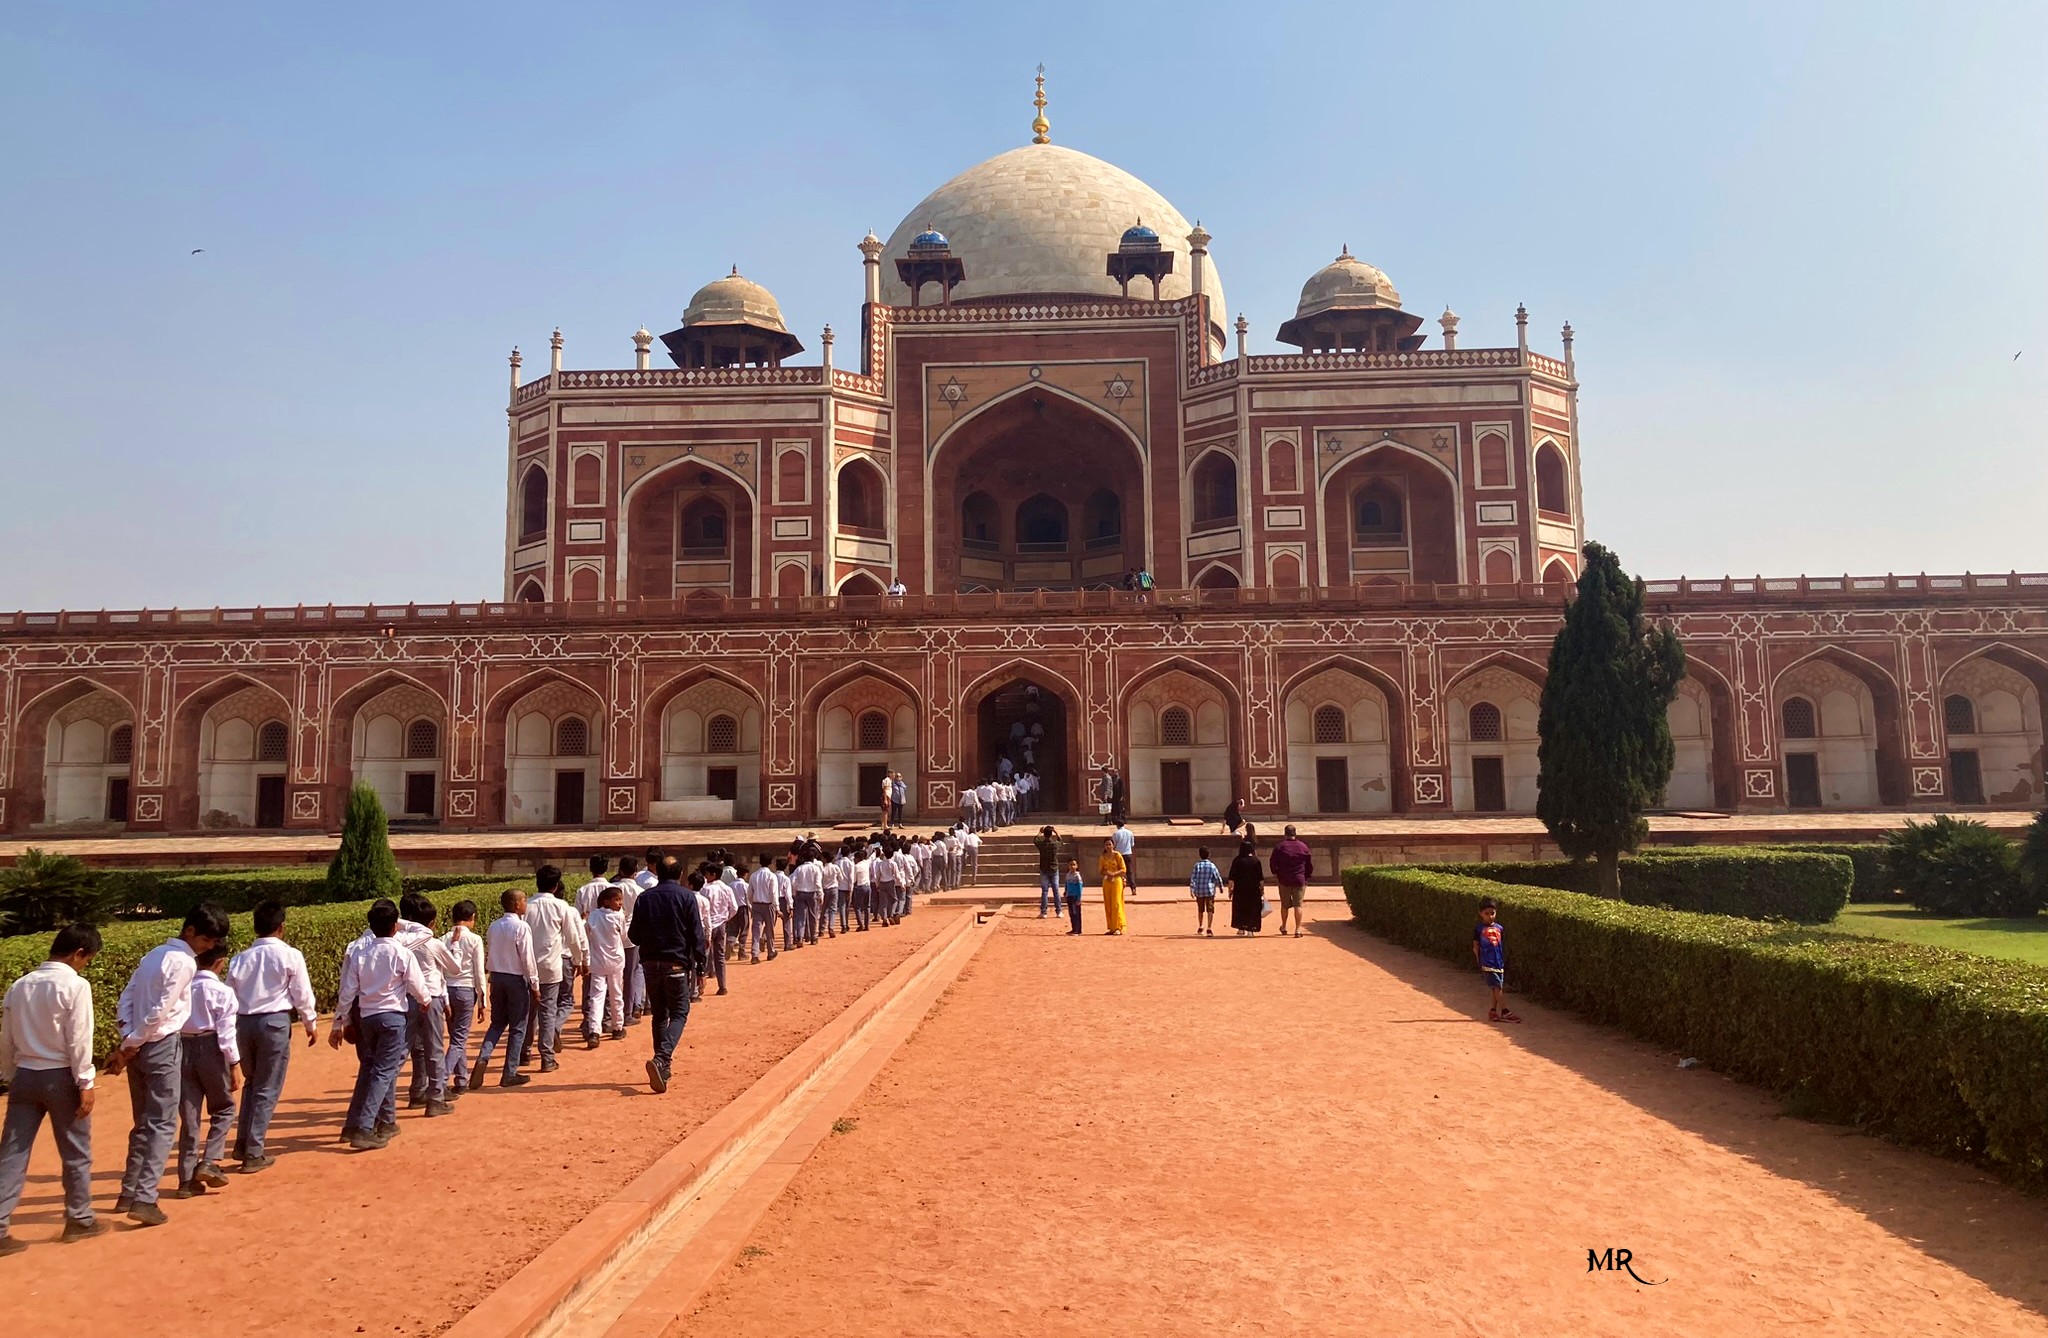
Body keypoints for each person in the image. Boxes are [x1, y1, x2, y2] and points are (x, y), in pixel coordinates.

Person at [112, 902, 228, 1226]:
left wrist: (127, 1038)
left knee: (143, 1123)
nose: (207, 948)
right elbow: (161, 1011)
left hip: (138, 1045)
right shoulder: (184, 962)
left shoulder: (154, 954)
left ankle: (128, 1191)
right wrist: (134, 1041)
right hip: (159, 1045)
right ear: (190, 932)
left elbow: (126, 996)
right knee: (162, 1123)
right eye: (205, 941)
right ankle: (145, 1198)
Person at [0, 924, 105, 1252]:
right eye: (88, 958)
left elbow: (6, 1037)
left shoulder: (20, 986)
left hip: (26, 1075)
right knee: (75, 1150)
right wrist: (86, 1081)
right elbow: (78, 1039)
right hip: (61, 1076)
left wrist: (8, 1074)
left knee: (12, 1153)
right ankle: (79, 1218)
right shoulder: (75, 985)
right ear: (79, 954)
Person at [331, 899, 433, 1151]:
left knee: (369, 1068)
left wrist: (339, 1021)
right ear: (395, 925)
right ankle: (365, 1127)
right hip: (392, 1018)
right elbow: (417, 985)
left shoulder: (359, 952)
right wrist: (425, 1001)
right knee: (383, 1072)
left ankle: (355, 1124)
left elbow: (347, 991)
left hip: (367, 1017)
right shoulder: (401, 951)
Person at [225, 899, 318, 1171]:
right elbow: (301, 993)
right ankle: (254, 1150)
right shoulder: (289, 955)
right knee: (267, 1087)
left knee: (253, 1084)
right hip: (274, 1023)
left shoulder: (240, 958)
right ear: (282, 927)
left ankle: (243, 1144)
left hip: (244, 1024)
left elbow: (228, 995)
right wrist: (310, 1022)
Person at [629, 856, 707, 1094]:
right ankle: (662, 1058)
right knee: (680, 1013)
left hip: (651, 965)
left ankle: (663, 1066)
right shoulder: (686, 897)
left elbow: (634, 935)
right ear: (680, 873)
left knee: (659, 1015)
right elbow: (696, 934)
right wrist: (701, 967)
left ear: (656, 871)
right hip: (676, 964)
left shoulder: (644, 897)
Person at [173, 946, 238, 1197]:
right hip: (211, 1047)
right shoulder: (222, 992)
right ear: (220, 962)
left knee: (189, 1115)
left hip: (182, 1046)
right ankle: (210, 1160)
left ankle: (186, 1180)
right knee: (223, 1107)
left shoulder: (183, 989)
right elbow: (227, 1034)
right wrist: (234, 1064)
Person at [472, 887, 539, 1088]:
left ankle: (483, 1056)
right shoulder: (521, 927)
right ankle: (509, 1072)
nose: (526, 904)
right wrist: (535, 984)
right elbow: (527, 959)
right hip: (515, 979)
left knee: (497, 1023)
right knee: (518, 1026)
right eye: (524, 900)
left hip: (497, 977)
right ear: (517, 904)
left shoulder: (494, 925)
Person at [523, 866, 585, 1073]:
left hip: (527, 967)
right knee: (548, 1011)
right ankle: (546, 1057)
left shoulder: (526, 906)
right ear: (556, 885)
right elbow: (573, 937)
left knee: (529, 1011)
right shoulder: (562, 907)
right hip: (551, 966)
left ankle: (524, 1051)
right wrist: (579, 959)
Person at [399, 893, 456, 1116]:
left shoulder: (397, 940)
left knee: (410, 1048)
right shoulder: (431, 943)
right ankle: (435, 1097)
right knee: (434, 1048)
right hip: (430, 997)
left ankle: (417, 1092)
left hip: (406, 997)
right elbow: (454, 969)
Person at [440, 899, 486, 1097]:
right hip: (466, 990)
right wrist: (483, 1000)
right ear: (472, 918)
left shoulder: (442, 939)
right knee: (459, 1039)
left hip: (446, 991)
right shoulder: (474, 939)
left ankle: (461, 1079)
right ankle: (440, 1081)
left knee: (456, 1037)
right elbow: (479, 972)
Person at [583, 884, 628, 1044]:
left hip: (597, 961)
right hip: (615, 961)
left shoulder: (594, 915)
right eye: (617, 900)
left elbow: (586, 931)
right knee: (616, 995)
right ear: (606, 901)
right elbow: (623, 936)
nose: (620, 903)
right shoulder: (618, 917)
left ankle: (594, 1031)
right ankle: (617, 1027)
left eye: (620, 900)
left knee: (596, 996)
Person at [1474, 898, 1520, 1023]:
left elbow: (1501, 944)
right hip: (1487, 962)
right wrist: (1479, 961)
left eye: (1492, 913)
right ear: (1481, 914)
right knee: (1497, 987)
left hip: (1499, 962)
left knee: (1496, 987)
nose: (1490, 916)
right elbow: (1476, 946)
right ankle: (1505, 1011)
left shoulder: (1500, 928)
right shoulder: (1479, 929)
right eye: (1486, 914)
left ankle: (1493, 1011)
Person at [1270, 825, 1314, 939]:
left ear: (1285, 834)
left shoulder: (1280, 847)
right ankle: (1298, 929)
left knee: (1284, 905)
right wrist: (1307, 876)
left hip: (1284, 879)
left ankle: (1284, 926)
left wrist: (1275, 873)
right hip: (1299, 879)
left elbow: (1273, 861)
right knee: (1298, 905)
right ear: (1295, 833)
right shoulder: (1303, 847)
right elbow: (1309, 864)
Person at [1227, 841, 1265, 935]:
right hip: (1253, 889)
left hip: (1240, 890)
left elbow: (1231, 877)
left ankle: (1241, 928)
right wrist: (1262, 889)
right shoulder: (1256, 861)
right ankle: (1251, 929)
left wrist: (1230, 890)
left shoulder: (1237, 860)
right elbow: (1260, 878)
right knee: (1253, 909)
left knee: (1240, 908)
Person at [747, 854, 779, 962]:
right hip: (768, 904)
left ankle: (755, 954)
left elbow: (749, 893)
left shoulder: (753, 876)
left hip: (756, 904)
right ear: (770, 863)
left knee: (756, 930)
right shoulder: (771, 876)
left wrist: (752, 904)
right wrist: (776, 907)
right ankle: (771, 951)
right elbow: (773, 893)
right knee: (770, 929)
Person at [1188, 847, 1223, 937]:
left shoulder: (1197, 865)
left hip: (1199, 890)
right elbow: (1217, 877)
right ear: (1209, 855)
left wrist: (1192, 889)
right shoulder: (1212, 865)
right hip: (1209, 890)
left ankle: (1200, 926)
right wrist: (1220, 887)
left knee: (1200, 909)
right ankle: (1209, 928)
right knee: (1210, 909)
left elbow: (1193, 878)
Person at [1098, 837, 1128, 936]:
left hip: (1117, 881)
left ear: (1113, 845)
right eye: (1106, 844)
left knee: (1116, 903)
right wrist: (1107, 873)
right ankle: (1111, 927)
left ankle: (1118, 927)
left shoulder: (1117, 855)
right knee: (1109, 904)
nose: (1108, 846)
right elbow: (1100, 870)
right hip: (1107, 882)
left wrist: (1114, 874)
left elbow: (1123, 869)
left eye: (1110, 844)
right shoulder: (1103, 857)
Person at [1034, 825, 1061, 918]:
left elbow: (1035, 840)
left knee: (1045, 891)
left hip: (1044, 869)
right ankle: (1059, 911)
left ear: (1044, 834)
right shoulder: (1054, 845)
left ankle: (1044, 912)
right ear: (1051, 834)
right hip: (1054, 869)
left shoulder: (1041, 845)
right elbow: (1061, 841)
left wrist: (1039, 832)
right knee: (1056, 891)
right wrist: (1056, 832)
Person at [1111, 820, 1137, 892]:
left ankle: (1118, 887)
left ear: (1117, 825)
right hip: (1128, 853)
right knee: (1129, 871)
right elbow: (1132, 844)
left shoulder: (1116, 834)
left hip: (1118, 854)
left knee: (1117, 871)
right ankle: (1133, 887)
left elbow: (1113, 845)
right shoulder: (1130, 833)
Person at [1061, 858, 1085, 936]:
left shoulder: (1077, 876)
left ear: (1077, 866)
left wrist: (1079, 898)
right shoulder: (1068, 875)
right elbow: (1066, 884)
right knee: (1071, 913)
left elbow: (1080, 888)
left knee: (1076, 913)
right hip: (1070, 896)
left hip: (1075, 896)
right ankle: (1073, 928)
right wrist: (1065, 891)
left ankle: (1078, 930)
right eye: (1070, 864)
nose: (1072, 866)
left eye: (1074, 864)